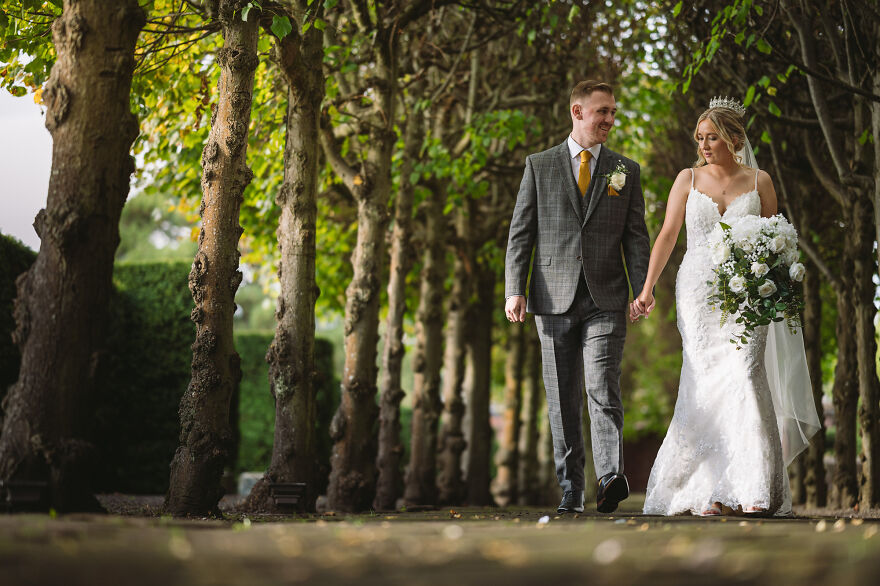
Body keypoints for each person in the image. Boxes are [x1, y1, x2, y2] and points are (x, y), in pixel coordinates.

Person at [634, 97, 820, 517]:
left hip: (747, 296)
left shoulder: (760, 182)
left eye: (712, 137)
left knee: (743, 374)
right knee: (703, 379)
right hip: (697, 293)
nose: (703, 145)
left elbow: (776, 241)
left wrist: (772, 285)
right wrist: (647, 289)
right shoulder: (687, 179)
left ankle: (751, 487)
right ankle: (708, 491)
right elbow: (666, 235)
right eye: (699, 138)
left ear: (734, 138)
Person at [504, 80, 650, 514]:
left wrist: (643, 289)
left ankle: (609, 478)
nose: (609, 119)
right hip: (550, 299)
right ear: (577, 111)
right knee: (562, 396)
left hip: (607, 297)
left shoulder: (627, 170)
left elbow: (636, 238)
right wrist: (515, 288)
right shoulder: (539, 165)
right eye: (602, 111)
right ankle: (571, 488)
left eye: (613, 112)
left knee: (602, 385)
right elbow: (521, 232)